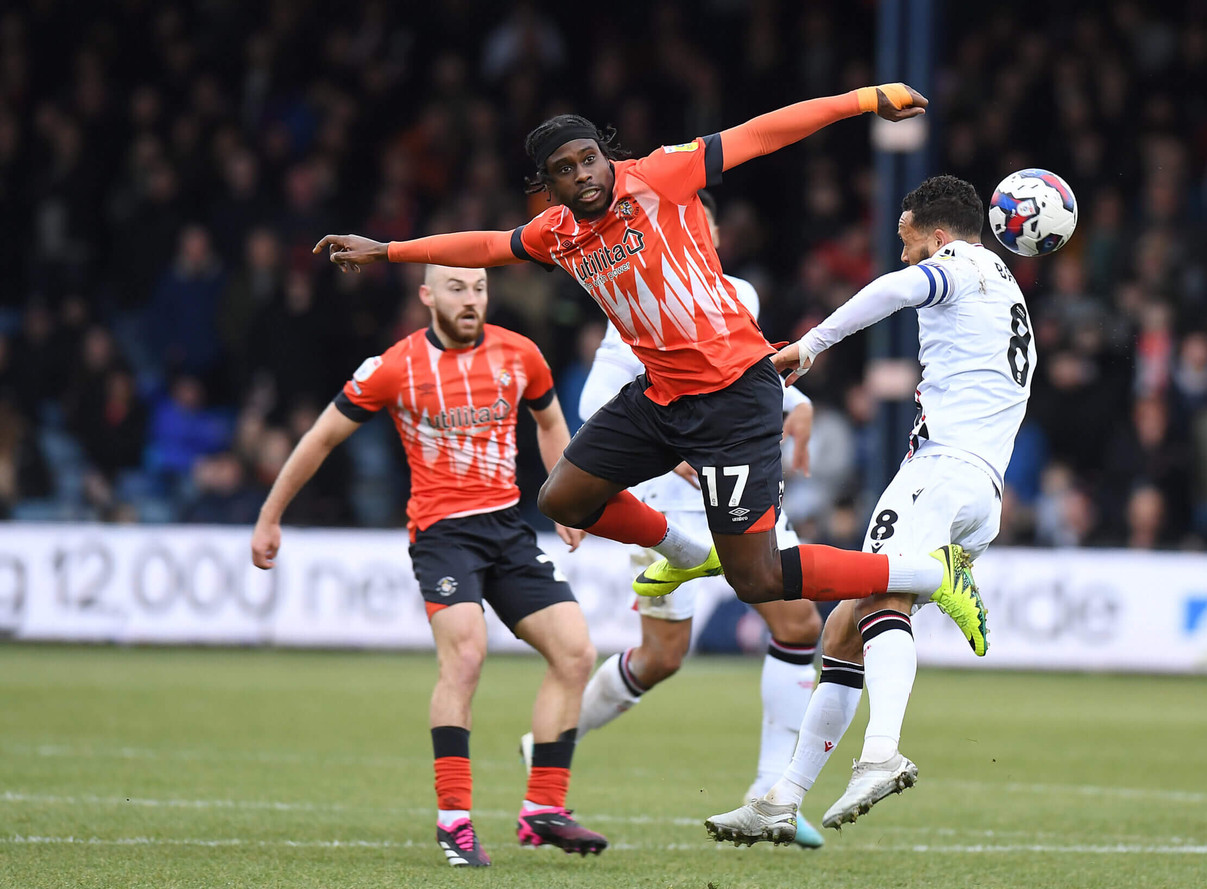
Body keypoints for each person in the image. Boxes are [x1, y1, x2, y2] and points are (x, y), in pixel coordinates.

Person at [312, 83, 986, 655]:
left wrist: (863, 100)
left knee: (756, 578)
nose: (584, 175)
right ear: (548, 186)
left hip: (733, 394)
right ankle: (686, 551)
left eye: (590, 159)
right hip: (663, 398)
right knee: (563, 498)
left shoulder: (662, 175)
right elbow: (489, 244)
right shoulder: (557, 232)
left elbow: (762, 133)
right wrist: (388, 250)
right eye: (566, 170)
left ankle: (929, 573)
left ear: (607, 156)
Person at [706, 174, 1035, 843]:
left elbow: (894, 290)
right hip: (980, 487)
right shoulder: (1003, 284)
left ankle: (882, 747)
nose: (903, 251)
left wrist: (811, 343)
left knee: (883, 587)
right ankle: (781, 800)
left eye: (906, 236)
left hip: (939, 471)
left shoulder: (957, 264)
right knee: (840, 632)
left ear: (937, 233)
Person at [250, 264, 607, 868]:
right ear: (427, 297)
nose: (471, 300)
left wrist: (564, 493)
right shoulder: (395, 366)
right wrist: (269, 515)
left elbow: (551, 423)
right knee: (466, 655)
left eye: (478, 289)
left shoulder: (520, 354)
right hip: (444, 536)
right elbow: (320, 438)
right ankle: (455, 821)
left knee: (575, 653)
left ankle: (543, 808)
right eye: (456, 289)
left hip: (508, 530)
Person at [524, 190, 826, 849]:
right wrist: (675, 446)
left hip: (739, 482)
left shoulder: (737, 294)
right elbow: (599, 399)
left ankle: (770, 791)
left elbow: (741, 371)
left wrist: (794, 400)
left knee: (799, 619)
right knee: (664, 657)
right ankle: (549, 738)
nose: (698, 235)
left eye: (706, 225)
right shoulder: (636, 296)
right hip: (669, 502)